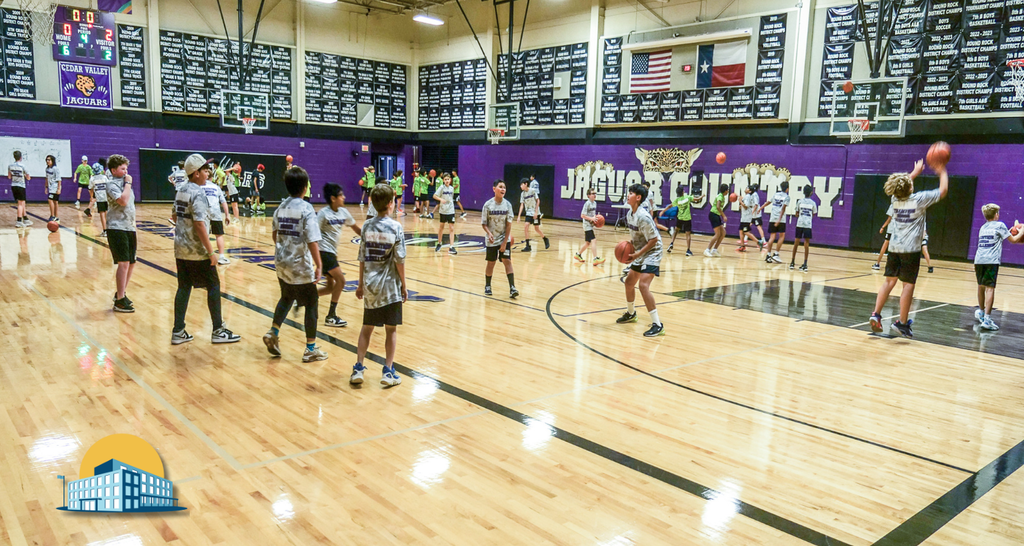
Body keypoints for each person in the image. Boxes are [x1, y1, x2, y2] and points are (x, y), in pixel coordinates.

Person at [869, 159, 947, 338]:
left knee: (888, 282)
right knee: (908, 285)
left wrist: (914, 172)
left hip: (894, 248)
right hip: (910, 249)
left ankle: (876, 314)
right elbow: (942, 191)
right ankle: (902, 323)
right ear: (910, 187)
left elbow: (900, 186)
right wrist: (942, 170)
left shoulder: (894, 198)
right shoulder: (919, 199)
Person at [171, 154, 241, 345]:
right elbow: (200, 225)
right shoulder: (198, 193)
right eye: (204, 170)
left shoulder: (180, 191)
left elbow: (175, 216)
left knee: (184, 287)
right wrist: (211, 252)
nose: (208, 172)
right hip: (197, 251)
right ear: (195, 174)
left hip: (180, 249)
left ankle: (178, 330)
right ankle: (218, 329)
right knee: (214, 286)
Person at [262, 166, 328, 362]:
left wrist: (286, 248)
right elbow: (312, 240)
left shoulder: (281, 207)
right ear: (305, 187)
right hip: (300, 264)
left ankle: (273, 332)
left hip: (282, 262)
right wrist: (319, 264)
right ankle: (310, 348)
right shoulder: (307, 209)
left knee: (286, 297)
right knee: (312, 303)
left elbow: (275, 235)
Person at [351, 183, 407, 387]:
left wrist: (360, 284)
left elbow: (362, 258)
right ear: (391, 203)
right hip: (390, 288)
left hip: (371, 286)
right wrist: (404, 285)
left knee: (367, 328)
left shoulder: (366, 226)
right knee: (391, 329)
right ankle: (388, 370)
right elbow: (400, 260)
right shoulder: (396, 227)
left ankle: (358, 367)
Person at [616, 183, 665, 337]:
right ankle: (631, 314)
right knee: (629, 282)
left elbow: (654, 240)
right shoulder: (630, 214)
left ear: (638, 198)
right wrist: (630, 248)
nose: (628, 195)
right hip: (640, 251)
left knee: (643, 285)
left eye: (630, 193)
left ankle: (657, 324)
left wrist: (637, 255)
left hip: (653, 251)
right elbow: (637, 238)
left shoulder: (643, 217)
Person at [973, 204, 1024, 330]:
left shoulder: (983, 227)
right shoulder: (1000, 225)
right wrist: (1021, 231)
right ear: (996, 215)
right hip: (991, 260)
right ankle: (987, 319)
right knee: (990, 288)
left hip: (979, 260)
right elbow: (1013, 240)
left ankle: (981, 311)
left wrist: (1011, 230)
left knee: (981, 286)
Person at [317, 183, 361, 327]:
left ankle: (306, 298)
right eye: (341, 195)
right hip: (323, 252)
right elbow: (313, 233)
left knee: (330, 287)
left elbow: (356, 228)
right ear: (333, 198)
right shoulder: (323, 214)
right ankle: (331, 316)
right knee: (341, 281)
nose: (344, 197)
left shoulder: (343, 212)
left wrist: (369, 238)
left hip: (332, 253)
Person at [105, 154, 137, 313]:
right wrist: (128, 183)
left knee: (131, 262)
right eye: (122, 169)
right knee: (123, 262)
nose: (126, 172)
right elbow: (123, 201)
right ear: (113, 170)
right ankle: (119, 301)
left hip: (130, 227)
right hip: (116, 227)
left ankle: (121, 294)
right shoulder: (111, 184)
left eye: (127, 168)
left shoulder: (125, 183)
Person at [481, 180, 518, 298]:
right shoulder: (487, 205)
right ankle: (488, 286)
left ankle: (512, 288)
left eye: (504, 187)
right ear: (494, 189)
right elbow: (484, 224)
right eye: (500, 187)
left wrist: (504, 242)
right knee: (491, 263)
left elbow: (509, 225)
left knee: (507, 261)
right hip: (492, 239)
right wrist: (488, 233)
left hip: (503, 238)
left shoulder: (508, 205)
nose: (503, 189)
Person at [203, 168, 232, 265]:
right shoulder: (216, 187)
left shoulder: (199, 187)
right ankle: (222, 257)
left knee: (204, 234)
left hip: (204, 212)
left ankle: (204, 255)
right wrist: (227, 215)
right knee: (219, 234)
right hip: (216, 212)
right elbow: (223, 202)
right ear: (212, 178)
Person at [575, 187, 606, 265]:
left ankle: (578, 254)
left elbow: (592, 215)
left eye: (595, 193)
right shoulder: (587, 203)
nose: (594, 195)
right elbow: (582, 215)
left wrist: (595, 218)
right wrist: (591, 218)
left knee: (587, 243)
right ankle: (595, 258)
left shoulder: (595, 203)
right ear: (588, 195)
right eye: (593, 193)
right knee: (593, 240)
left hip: (590, 225)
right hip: (587, 225)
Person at [789, 185, 817, 272]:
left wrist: (801, 215)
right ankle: (805, 264)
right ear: (811, 193)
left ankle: (792, 262)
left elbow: (796, 213)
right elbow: (814, 214)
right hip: (808, 225)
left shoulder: (800, 202)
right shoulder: (813, 203)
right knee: (806, 244)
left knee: (796, 243)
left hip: (800, 224)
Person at [518, 178, 549, 251]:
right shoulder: (522, 194)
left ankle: (545, 239)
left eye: (521, 185)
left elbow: (538, 201)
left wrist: (536, 212)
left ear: (525, 184)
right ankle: (528, 246)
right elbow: (522, 205)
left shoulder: (532, 191)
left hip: (535, 212)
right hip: (528, 212)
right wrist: (519, 216)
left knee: (536, 229)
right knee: (526, 226)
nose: (520, 186)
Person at [762, 181, 790, 263]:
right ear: (787, 189)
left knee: (772, 237)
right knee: (782, 236)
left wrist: (761, 207)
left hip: (773, 217)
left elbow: (768, 202)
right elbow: (783, 209)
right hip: (780, 219)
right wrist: (779, 219)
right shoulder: (787, 197)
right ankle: (776, 254)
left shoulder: (776, 194)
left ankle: (768, 255)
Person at [434, 173, 459, 255]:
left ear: (450, 180)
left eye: (448, 179)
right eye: (445, 179)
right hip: (443, 210)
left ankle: (451, 246)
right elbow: (434, 196)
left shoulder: (452, 188)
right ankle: (439, 243)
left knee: (451, 228)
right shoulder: (441, 188)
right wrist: (441, 199)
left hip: (451, 210)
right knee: (441, 227)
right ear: (443, 180)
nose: (447, 181)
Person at [667, 185, 693, 256]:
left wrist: (663, 211)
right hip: (687, 218)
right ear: (683, 192)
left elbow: (670, 206)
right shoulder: (687, 198)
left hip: (680, 218)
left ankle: (671, 242)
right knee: (688, 234)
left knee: (676, 231)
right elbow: (696, 199)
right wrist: (702, 196)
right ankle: (688, 250)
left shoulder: (677, 200)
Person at [704, 183, 728, 257]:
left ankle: (714, 250)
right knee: (717, 234)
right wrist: (724, 216)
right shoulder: (720, 197)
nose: (728, 191)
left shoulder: (722, 196)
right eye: (727, 190)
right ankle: (707, 250)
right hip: (713, 214)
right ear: (725, 190)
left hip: (716, 215)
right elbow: (718, 207)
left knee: (723, 232)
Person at [9, 150, 31, 228]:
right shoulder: (23, 166)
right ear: (21, 157)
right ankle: (19, 220)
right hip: (21, 186)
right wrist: (25, 176)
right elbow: (28, 177)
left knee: (22, 202)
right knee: (20, 204)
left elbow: (9, 177)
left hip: (13, 185)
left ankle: (26, 219)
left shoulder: (10, 166)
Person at [738, 184, 762, 252]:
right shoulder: (747, 196)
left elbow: (746, 206)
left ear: (749, 190)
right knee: (741, 231)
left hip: (746, 217)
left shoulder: (748, 196)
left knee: (745, 232)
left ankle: (758, 242)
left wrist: (740, 201)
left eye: (747, 188)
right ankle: (742, 246)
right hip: (744, 217)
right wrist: (741, 206)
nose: (745, 189)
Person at [872, 203, 896, 271]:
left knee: (885, 245)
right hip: (899, 230)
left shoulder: (893, 205)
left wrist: (883, 227)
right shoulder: (904, 205)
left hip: (891, 229)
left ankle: (877, 263)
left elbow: (889, 218)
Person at [89, 163, 109, 237]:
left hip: (100, 198)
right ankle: (109, 229)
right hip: (107, 197)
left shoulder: (92, 179)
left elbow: (90, 188)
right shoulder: (104, 177)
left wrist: (91, 197)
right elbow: (108, 186)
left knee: (102, 214)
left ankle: (105, 230)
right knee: (107, 213)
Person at [45, 155, 61, 223]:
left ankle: (52, 215)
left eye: (49, 160)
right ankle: (57, 217)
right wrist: (46, 187)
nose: (48, 161)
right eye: (47, 160)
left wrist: (59, 188)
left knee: (50, 200)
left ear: (52, 161)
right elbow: (46, 178)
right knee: (55, 202)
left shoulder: (55, 169)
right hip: (50, 187)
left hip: (55, 186)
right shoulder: (47, 169)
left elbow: (59, 180)